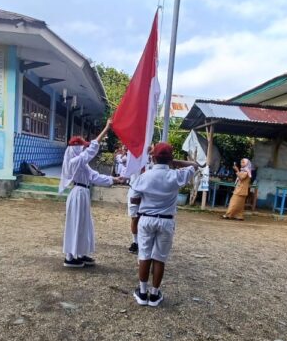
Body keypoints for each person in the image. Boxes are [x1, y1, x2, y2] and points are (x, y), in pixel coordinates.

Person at [129, 142, 199, 306]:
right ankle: (154, 295)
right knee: (160, 258)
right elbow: (195, 165)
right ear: (170, 159)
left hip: (146, 218)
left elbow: (134, 199)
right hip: (166, 220)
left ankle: (142, 292)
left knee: (144, 255)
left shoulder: (145, 176)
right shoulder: (176, 175)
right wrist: (175, 162)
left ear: (153, 158)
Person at [59, 119, 126, 268]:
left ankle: (80, 253)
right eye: (81, 146)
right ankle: (70, 257)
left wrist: (115, 179)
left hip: (82, 194)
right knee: (75, 223)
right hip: (78, 193)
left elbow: (95, 176)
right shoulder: (75, 161)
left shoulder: (81, 163)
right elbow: (91, 150)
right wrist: (106, 128)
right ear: (75, 148)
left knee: (83, 224)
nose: (83, 149)